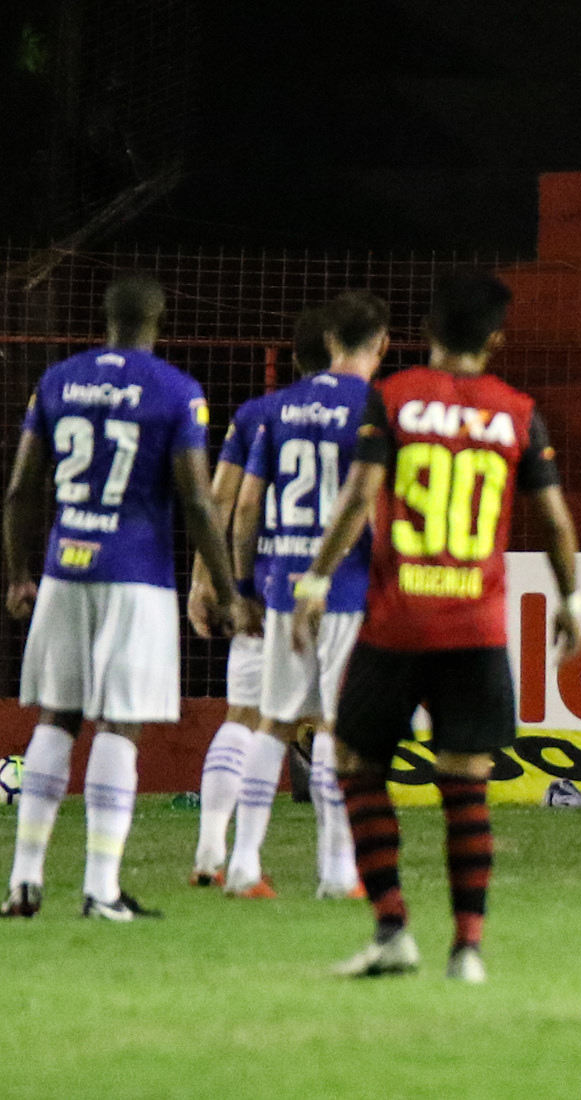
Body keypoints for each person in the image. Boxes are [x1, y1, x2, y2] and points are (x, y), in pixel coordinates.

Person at [291, 271, 581, 982]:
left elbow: (361, 495)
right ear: (496, 338)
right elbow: (552, 519)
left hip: (396, 623)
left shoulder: (392, 398)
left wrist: (318, 577)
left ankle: (393, 928)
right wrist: (571, 601)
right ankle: (469, 948)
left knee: (355, 765)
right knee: (466, 783)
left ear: (424, 331)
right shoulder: (517, 412)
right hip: (475, 628)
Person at [1, 272, 237, 920]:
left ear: (105, 321)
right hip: (134, 576)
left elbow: (22, 489)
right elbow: (194, 497)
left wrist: (20, 574)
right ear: (157, 322)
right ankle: (101, 889)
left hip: (64, 568)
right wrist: (224, 584)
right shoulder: (174, 391)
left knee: (56, 717)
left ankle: (23, 882)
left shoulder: (56, 382)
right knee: (119, 724)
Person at [226, 292, 388, 900]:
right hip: (346, 586)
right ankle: (337, 872)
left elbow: (245, 507)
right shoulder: (377, 407)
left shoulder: (276, 408)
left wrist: (243, 586)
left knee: (274, 722)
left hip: (281, 584)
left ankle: (243, 864)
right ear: (383, 343)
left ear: (326, 343)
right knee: (338, 728)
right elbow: (375, 501)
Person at [186, 306, 330, 888]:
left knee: (243, 717)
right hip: (330, 590)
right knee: (326, 724)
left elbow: (223, 503)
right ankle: (339, 865)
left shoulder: (256, 415)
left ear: (294, 359)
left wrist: (209, 581)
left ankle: (209, 852)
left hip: (263, 585)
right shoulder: (361, 414)